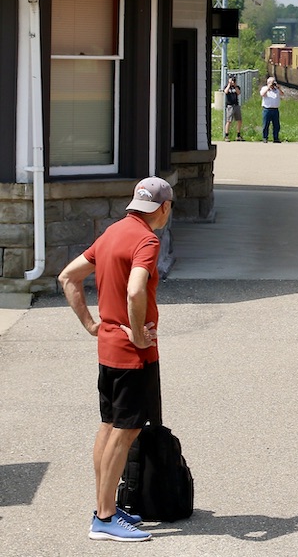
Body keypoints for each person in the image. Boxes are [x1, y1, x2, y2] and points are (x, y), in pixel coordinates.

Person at [58, 176, 174, 543]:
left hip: (107, 349)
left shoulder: (111, 233)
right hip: (132, 356)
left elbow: (67, 277)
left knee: (109, 427)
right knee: (125, 433)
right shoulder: (147, 240)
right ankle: (104, 518)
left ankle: (105, 506)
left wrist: (92, 324)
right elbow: (136, 288)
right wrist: (138, 333)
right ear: (164, 208)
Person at [260, 76, 282, 143]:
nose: (273, 84)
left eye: (273, 82)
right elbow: (262, 94)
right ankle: (265, 137)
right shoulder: (264, 88)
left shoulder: (276, 90)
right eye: (271, 82)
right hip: (267, 109)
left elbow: (282, 94)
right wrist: (268, 88)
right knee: (266, 125)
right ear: (268, 83)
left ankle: (276, 138)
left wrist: (279, 88)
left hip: (275, 109)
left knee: (276, 125)